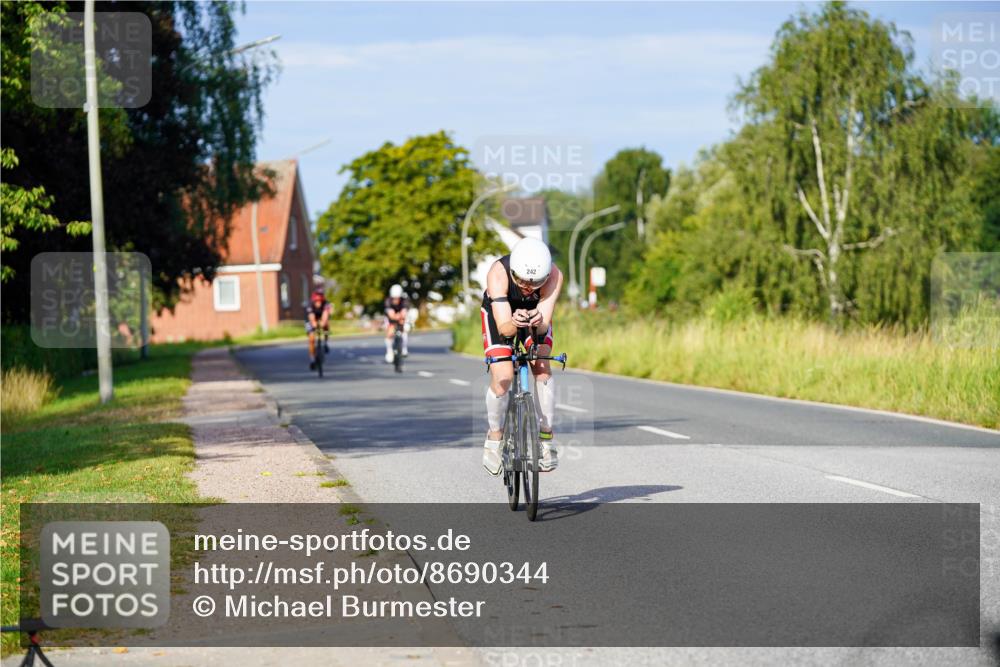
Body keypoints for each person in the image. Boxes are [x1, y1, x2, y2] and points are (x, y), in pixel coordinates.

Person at [480, 237, 562, 475]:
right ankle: (495, 437)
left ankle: (546, 438)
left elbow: (543, 325)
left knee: (543, 364)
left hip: (533, 317)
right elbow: (505, 327)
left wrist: (538, 323)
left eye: (535, 283)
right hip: (501, 316)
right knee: (503, 376)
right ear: (513, 272)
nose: (527, 288)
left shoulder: (555, 275)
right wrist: (513, 323)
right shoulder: (498, 273)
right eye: (522, 281)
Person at [305, 289, 331, 370]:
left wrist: (323, 323)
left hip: (321, 316)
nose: (319, 303)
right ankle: (312, 360)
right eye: (317, 301)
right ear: (314, 301)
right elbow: (311, 318)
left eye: (320, 301)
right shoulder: (310, 304)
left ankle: (326, 343)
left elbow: (325, 315)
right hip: (311, 318)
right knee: (311, 339)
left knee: (326, 325)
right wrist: (314, 324)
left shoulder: (326, 303)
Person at [384, 284, 409, 363]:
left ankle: (404, 348)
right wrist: (396, 317)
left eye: (397, 298)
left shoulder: (404, 301)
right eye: (394, 298)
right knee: (389, 333)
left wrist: (401, 317)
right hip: (390, 319)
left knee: (405, 328)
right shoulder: (388, 301)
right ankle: (389, 351)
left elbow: (404, 313)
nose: (395, 299)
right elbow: (391, 315)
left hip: (401, 318)